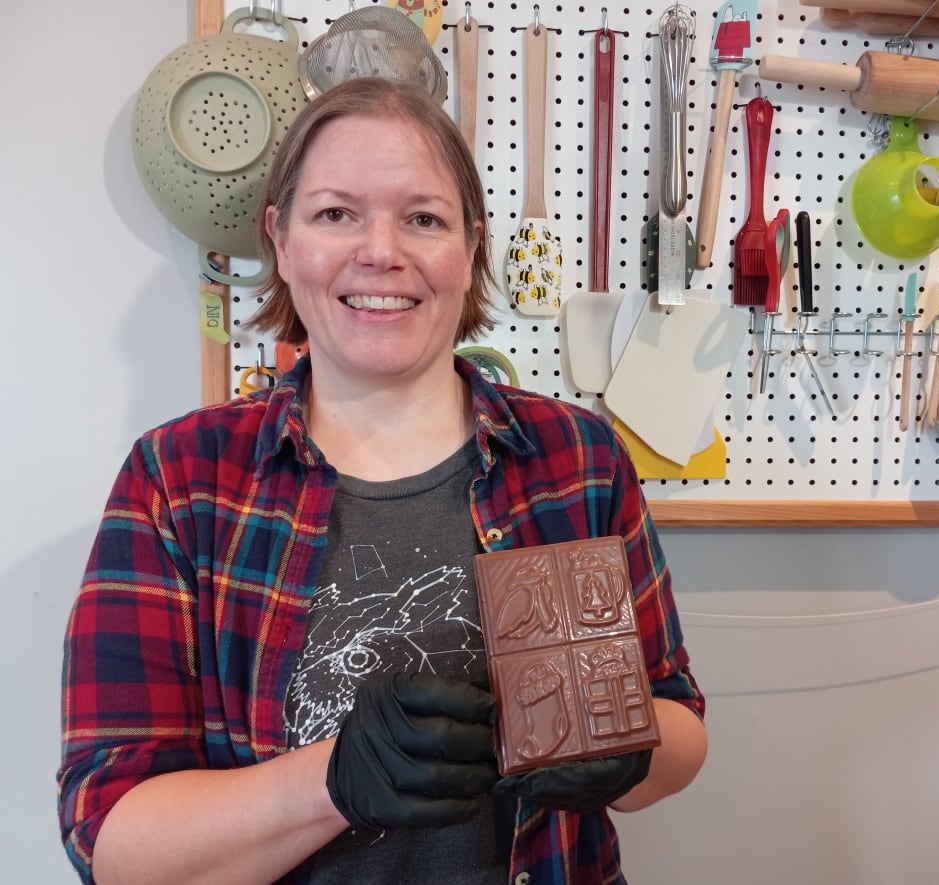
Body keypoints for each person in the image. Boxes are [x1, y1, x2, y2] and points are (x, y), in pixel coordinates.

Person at [58, 77, 708, 884]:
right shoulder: (181, 482)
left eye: (423, 218)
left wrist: (627, 753)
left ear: (470, 250)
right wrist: (332, 780)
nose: (382, 251)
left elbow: (679, 719)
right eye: (336, 213)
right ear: (282, 240)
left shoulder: (575, 457)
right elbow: (112, 841)